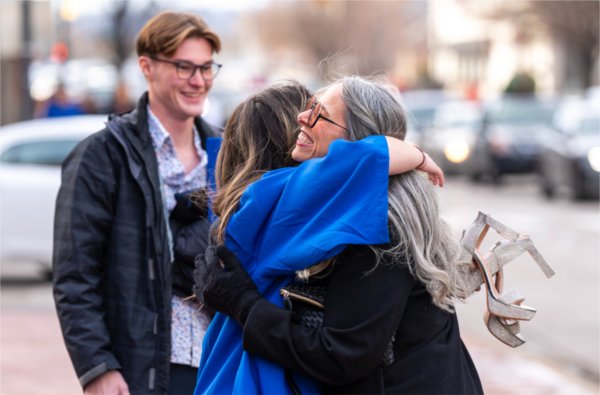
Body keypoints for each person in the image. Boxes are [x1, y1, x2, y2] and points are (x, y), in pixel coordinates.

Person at [194, 76, 480, 394]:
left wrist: (243, 304)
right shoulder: (336, 207)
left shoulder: (379, 226)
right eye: (308, 107)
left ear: (355, 144)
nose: (302, 117)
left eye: (319, 112)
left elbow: (344, 353)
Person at [52, 11, 222, 394]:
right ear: (147, 66)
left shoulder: (226, 153)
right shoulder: (103, 155)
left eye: (207, 68)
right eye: (184, 67)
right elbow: (75, 274)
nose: (198, 81)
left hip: (223, 363)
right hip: (144, 368)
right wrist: (97, 367)